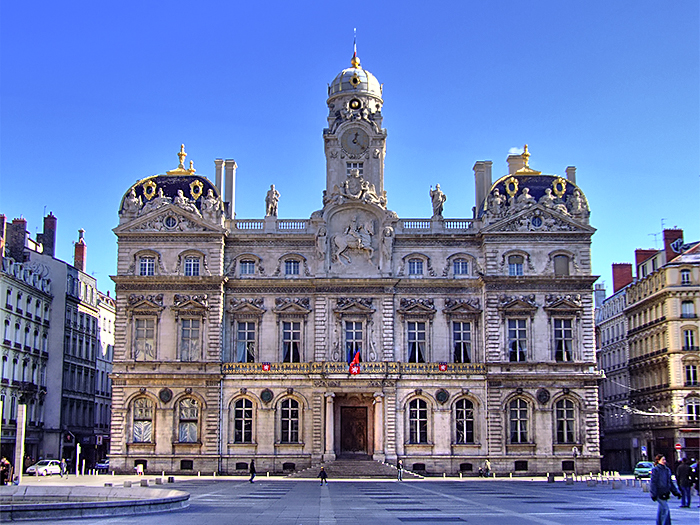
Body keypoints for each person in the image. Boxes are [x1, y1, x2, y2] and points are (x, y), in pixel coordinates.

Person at [650, 454, 680, 525]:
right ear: (658, 461)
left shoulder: (667, 470)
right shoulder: (656, 470)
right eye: (663, 460)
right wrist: (653, 494)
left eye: (665, 460)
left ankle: (659, 523)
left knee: (661, 510)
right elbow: (653, 482)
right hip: (659, 492)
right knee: (665, 509)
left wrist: (676, 492)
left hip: (665, 492)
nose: (664, 461)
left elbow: (670, 482)